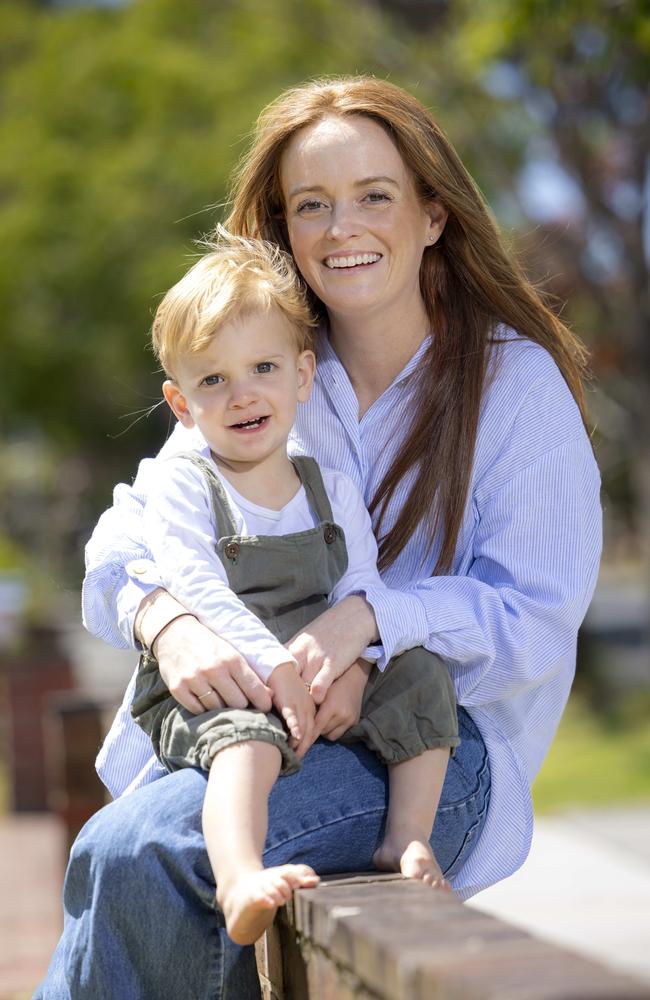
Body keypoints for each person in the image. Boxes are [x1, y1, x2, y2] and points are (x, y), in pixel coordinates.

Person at [37, 75, 601, 1000]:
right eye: (313, 205)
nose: (343, 229)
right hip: (258, 727)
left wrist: (366, 625)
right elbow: (124, 543)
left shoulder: (514, 387)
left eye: (374, 196)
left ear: (433, 216)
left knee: (146, 848)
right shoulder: (258, 369)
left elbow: (533, 619)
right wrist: (167, 622)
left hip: (429, 744)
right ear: (286, 230)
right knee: (122, 847)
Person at [130, 231, 458, 945]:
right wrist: (274, 669)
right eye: (212, 380)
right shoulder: (186, 484)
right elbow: (198, 592)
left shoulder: (329, 486)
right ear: (180, 403)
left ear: (301, 377)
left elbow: (360, 587)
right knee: (243, 743)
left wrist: (355, 667)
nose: (241, 393)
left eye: (262, 368)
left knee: (424, 675)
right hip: (228, 678)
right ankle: (240, 875)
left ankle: (405, 839)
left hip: (314, 670)